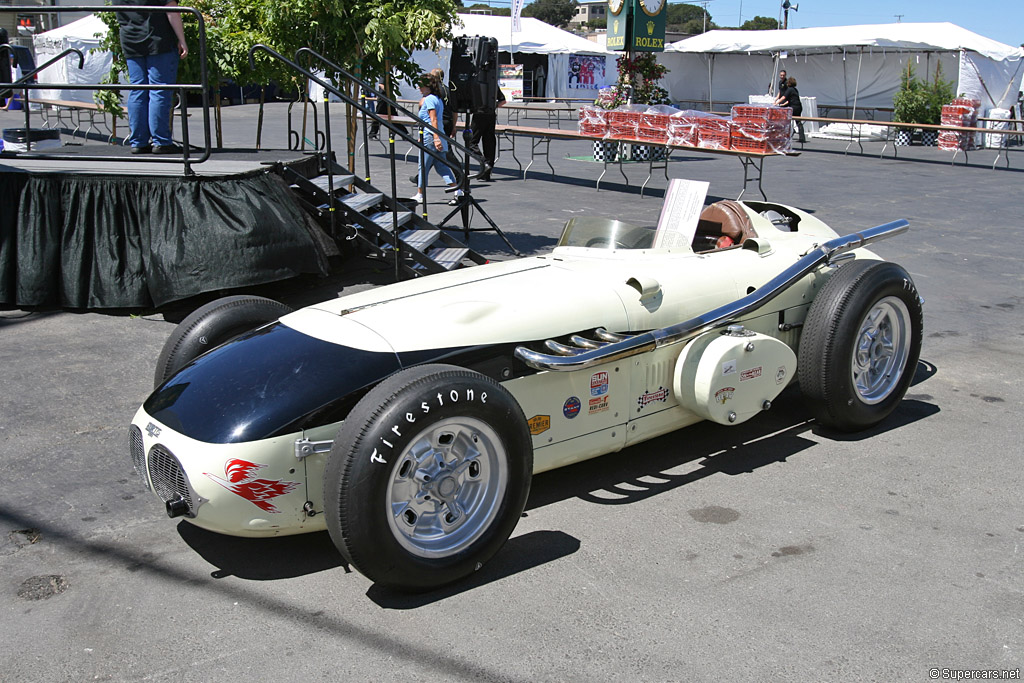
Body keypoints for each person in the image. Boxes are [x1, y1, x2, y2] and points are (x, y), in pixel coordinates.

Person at [116, 0, 188, 154]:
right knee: (159, 89)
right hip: (157, 38)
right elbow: (171, 9)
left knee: (138, 89)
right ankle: (161, 141)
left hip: (130, 39)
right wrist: (182, 39)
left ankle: (138, 141)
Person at [410, 73, 462, 206]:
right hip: (437, 134)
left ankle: (420, 193)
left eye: (421, 85)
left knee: (423, 166)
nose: (419, 88)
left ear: (428, 86)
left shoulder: (429, 100)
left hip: (430, 135)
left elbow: (433, 119)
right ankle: (458, 191)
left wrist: (435, 137)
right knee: (441, 166)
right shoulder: (437, 98)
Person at [468, 85, 505, 181]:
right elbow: (503, 101)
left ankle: (484, 163)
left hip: (479, 114)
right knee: (489, 142)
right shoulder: (492, 84)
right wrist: (494, 106)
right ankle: (487, 171)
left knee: (471, 142)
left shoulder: (476, 84)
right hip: (491, 114)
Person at [775, 76, 805, 143]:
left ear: (789, 83)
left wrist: (776, 103)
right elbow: (790, 100)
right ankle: (802, 136)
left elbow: (783, 97)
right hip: (799, 106)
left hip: (794, 107)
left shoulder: (789, 89)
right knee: (798, 121)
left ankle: (791, 130)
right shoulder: (795, 90)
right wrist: (783, 104)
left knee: (786, 119)